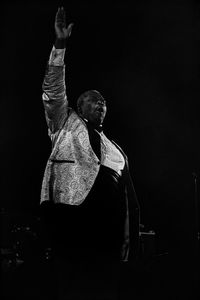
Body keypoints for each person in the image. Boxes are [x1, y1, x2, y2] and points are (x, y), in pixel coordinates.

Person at [40, 7, 140, 300]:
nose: (100, 104)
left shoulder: (116, 148)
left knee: (104, 289)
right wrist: (60, 45)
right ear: (80, 107)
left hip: (107, 235)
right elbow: (53, 90)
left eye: (104, 102)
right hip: (74, 222)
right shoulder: (65, 123)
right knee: (72, 287)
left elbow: (129, 199)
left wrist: (129, 242)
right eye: (93, 100)